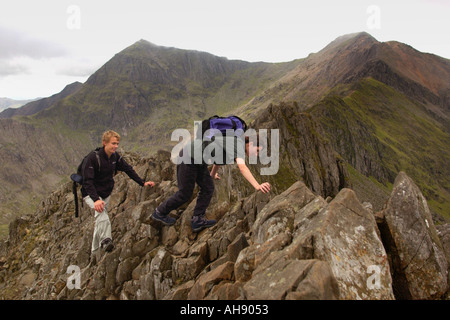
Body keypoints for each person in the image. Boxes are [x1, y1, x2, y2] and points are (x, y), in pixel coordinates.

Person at [152, 131, 270, 233]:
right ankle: (160, 212)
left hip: (198, 161)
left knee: (208, 187)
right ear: (251, 143)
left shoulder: (236, 145)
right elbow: (242, 167)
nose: (257, 154)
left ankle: (197, 220)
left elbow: (218, 160)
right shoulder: (238, 145)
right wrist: (257, 186)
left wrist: (212, 175)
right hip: (189, 156)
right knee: (185, 193)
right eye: (258, 150)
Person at [81, 130, 155, 253]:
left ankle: (95, 250)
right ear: (104, 143)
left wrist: (142, 182)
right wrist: (96, 200)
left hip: (105, 193)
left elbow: (128, 169)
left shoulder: (115, 157)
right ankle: (106, 240)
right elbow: (87, 181)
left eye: (117, 143)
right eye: (113, 143)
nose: (116, 146)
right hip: (91, 193)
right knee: (102, 214)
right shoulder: (93, 158)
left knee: (100, 219)